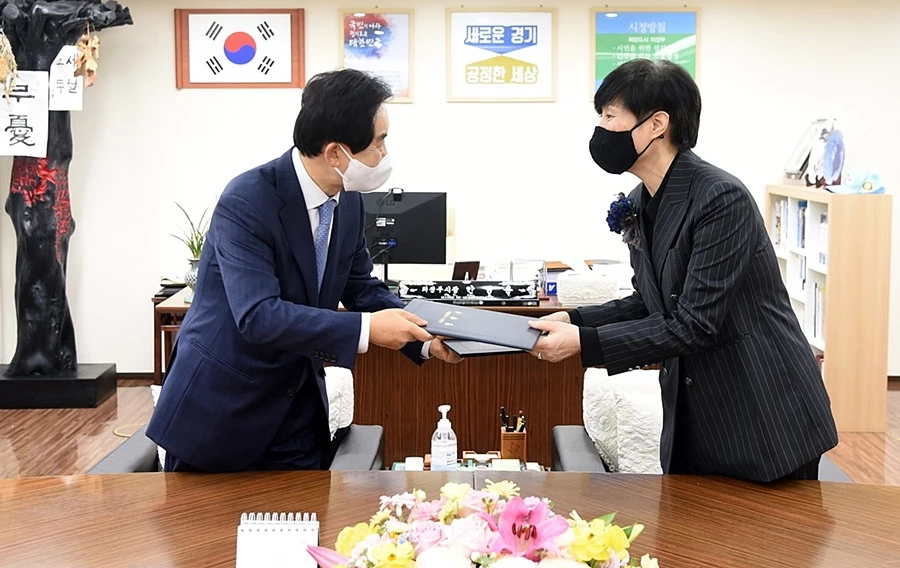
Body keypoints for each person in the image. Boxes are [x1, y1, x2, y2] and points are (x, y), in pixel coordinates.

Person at [530, 59, 838, 482]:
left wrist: (584, 343)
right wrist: (574, 319)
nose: (601, 129)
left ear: (657, 124)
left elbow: (694, 324)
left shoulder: (720, 199)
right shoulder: (641, 200)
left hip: (764, 411)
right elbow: (649, 301)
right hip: (695, 413)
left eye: (610, 116)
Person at [147, 69, 460, 473]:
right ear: (335, 154)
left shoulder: (349, 201)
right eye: (378, 142)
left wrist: (426, 336)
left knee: (307, 513)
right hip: (221, 410)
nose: (384, 154)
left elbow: (362, 287)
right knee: (210, 519)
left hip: (296, 411)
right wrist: (367, 329)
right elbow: (258, 316)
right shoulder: (248, 200)